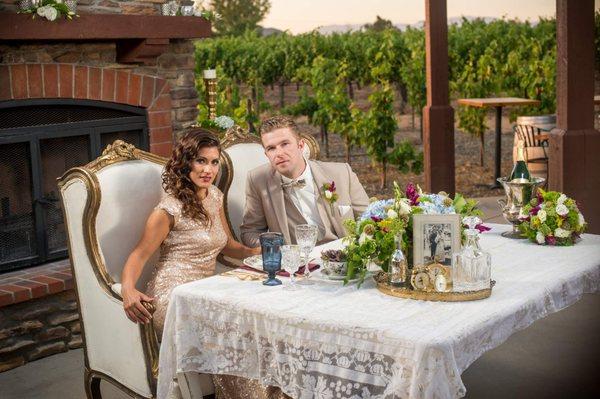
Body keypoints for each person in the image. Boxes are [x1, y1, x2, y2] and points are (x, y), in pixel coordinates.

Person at [120, 129, 259, 337]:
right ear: (186, 163)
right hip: (173, 294)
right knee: (228, 332)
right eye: (201, 161)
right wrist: (127, 290)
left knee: (252, 317)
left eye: (214, 162)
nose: (208, 170)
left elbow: (227, 243)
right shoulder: (169, 209)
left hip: (205, 290)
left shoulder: (215, 195)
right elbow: (139, 254)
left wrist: (256, 252)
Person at [240, 116, 369, 247]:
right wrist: (275, 249)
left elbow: (368, 220)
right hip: (295, 263)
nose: (279, 153)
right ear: (266, 154)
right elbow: (250, 231)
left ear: (300, 145)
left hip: (345, 258)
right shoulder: (257, 180)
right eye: (271, 148)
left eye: (285, 144)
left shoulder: (341, 173)